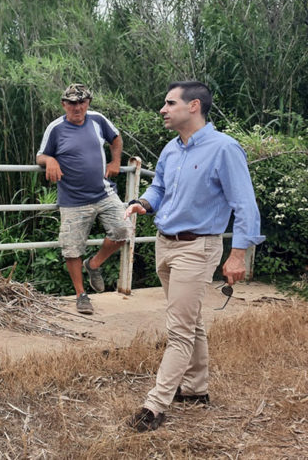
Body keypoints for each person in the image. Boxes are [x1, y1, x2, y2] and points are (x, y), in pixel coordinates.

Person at [124, 81, 264, 431]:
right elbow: (159, 187)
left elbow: (245, 206)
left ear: (194, 106)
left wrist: (238, 255)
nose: (163, 109)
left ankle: (155, 405)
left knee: (179, 330)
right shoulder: (172, 149)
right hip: (164, 243)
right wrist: (144, 202)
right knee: (191, 321)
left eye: (170, 103)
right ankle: (196, 388)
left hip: (197, 247)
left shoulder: (224, 149)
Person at [36, 84, 131, 314]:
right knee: (72, 249)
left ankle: (94, 264)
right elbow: (40, 155)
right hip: (73, 199)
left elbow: (116, 138)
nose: (77, 107)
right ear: (63, 104)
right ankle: (81, 295)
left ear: (88, 103)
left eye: (81, 102)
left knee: (123, 230)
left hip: (104, 192)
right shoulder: (56, 128)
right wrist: (50, 160)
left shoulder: (98, 119)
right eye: (71, 103)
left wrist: (116, 161)